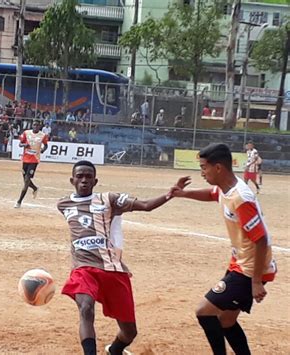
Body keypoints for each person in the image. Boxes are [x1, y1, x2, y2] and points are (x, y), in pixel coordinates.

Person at [58, 160, 184, 355]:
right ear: (72, 180)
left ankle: (115, 350)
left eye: (88, 177)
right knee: (85, 308)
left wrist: (169, 194)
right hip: (83, 269)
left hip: (112, 269)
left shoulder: (109, 199)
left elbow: (145, 205)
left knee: (129, 331)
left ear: (95, 181)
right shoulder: (63, 204)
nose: (84, 180)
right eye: (80, 176)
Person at [170, 143, 276, 355]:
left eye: (203, 167)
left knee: (204, 312)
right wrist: (183, 193)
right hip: (241, 264)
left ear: (218, 168)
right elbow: (212, 194)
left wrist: (256, 282)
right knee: (226, 321)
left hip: (249, 270)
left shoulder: (241, 198)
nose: (202, 173)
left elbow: (261, 239)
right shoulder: (226, 188)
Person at [14, 120, 48, 208]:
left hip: (34, 160)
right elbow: (20, 144)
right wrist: (24, 145)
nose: (35, 126)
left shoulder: (42, 135)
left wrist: (43, 150)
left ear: (39, 126)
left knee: (26, 181)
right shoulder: (26, 133)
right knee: (25, 179)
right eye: (34, 125)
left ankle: (19, 201)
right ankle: (35, 188)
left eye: (37, 125)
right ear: (32, 125)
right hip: (25, 159)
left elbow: (46, 145)